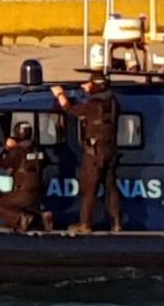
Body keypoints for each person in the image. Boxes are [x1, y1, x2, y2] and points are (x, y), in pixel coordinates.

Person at [51, 75, 122, 233]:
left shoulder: (93, 104)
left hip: (95, 152)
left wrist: (60, 94)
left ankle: (85, 224)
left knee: (89, 187)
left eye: (89, 84)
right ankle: (116, 223)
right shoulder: (113, 102)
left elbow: (70, 109)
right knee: (111, 187)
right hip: (111, 149)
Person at [0, 121, 53, 232]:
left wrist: (7, 148)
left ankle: (21, 218)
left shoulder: (17, 152)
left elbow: (0, 162)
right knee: (11, 215)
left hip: (23, 192)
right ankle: (41, 217)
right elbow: (46, 161)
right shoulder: (39, 150)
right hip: (39, 193)